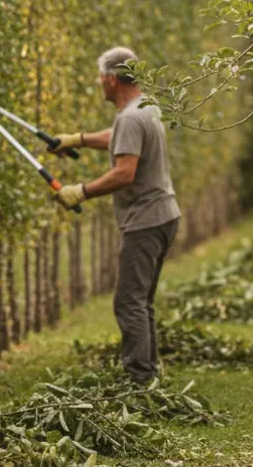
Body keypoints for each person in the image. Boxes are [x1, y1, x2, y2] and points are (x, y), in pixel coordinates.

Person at [51, 47, 181, 384]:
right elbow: (120, 138)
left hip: (146, 221)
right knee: (142, 301)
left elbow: (125, 173)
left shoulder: (130, 116)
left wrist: (81, 191)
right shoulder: (146, 107)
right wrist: (78, 139)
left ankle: (138, 381)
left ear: (110, 79)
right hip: (165, 214)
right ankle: (149, 373)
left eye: (100, 78)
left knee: (128, 303)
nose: (99, 83)